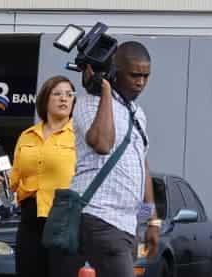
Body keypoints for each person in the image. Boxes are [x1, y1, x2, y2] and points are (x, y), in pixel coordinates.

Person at [73, 43, 158, 277]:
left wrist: (152, 221)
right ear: (114, 72)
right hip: (100, 216)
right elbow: (102, 144)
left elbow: (142, 164)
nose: (140, 82)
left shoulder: (136, 112)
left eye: (145, 76)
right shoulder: (88, 102)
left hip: (127, 224)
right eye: (134, 75)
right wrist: (106, 91)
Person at [0, 77, 80, 277]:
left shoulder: (80, 136)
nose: (64, 99)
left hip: (63, 217)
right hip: (30, 217)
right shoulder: (27, 135)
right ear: (45, 100)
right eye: (57, 94)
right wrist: (1, 186)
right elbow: (14, 180)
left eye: (69, 95)